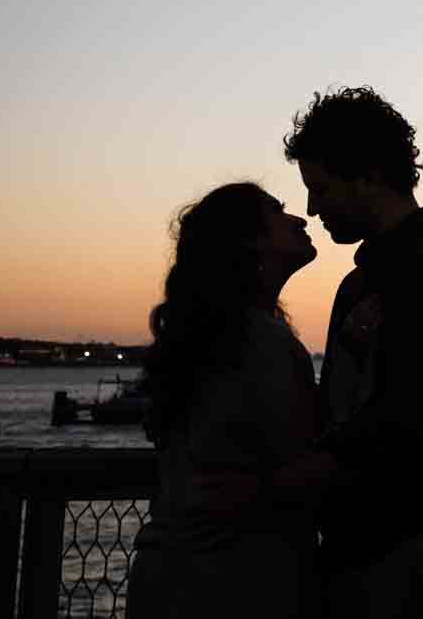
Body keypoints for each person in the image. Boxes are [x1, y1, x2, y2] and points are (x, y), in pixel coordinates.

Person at [207, 85, 423, 618]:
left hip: (412, 544)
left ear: (368, 175)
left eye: (320, 188)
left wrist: (267, 488)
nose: (312, 208)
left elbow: (402, 420)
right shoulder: (370, 281)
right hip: (371, 544)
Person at [127, 183, 321, 619]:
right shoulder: (264, 342)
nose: (299, 218)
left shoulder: (215, 338)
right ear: (248, 240)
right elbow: (304, 460)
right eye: (277, 211)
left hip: (169, 573)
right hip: (234, 582)